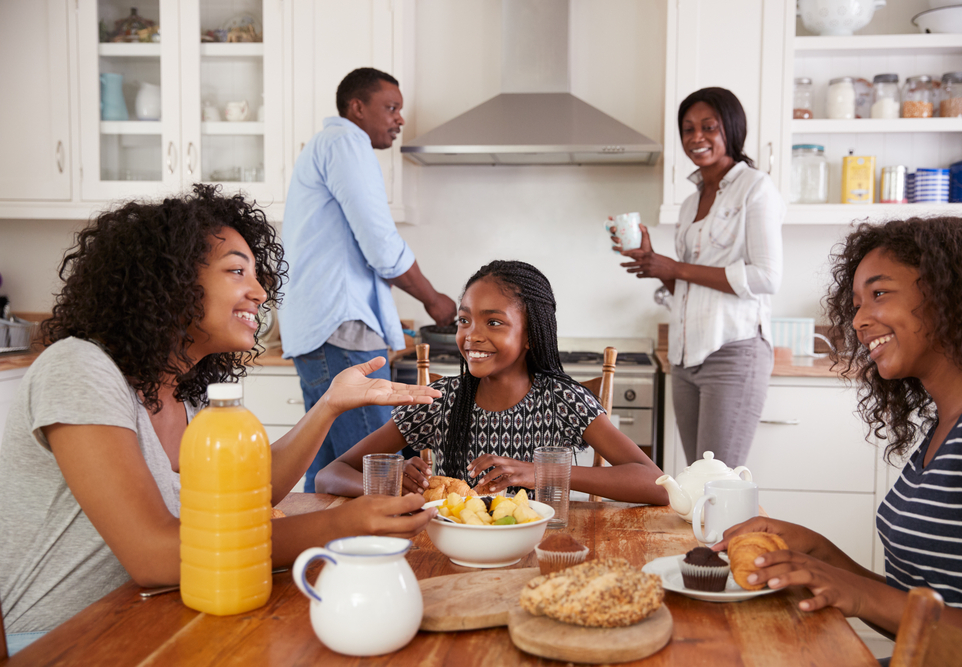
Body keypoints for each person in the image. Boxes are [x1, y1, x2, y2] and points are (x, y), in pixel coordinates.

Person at [0, 186, 440, 655]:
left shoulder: (185, 398)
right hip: (64, 641)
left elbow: (245, 499)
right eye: (236, 271)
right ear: (167, 281)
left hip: (153, 618)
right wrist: (340, 526)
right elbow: (154, 554)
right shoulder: (79, 368)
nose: (259, 291)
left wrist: (330, 404)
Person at [715, 216, 962, 656]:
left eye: (879, 294)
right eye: (856, 303)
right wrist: (820, 555)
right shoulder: (951, 424)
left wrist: (860, 592)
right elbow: (920, 619)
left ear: (951, 294)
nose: (860, 320)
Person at [315, 260, 670, 506]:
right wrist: (388, 484)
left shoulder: (562, 400)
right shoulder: (442, 400)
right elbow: (330, 475)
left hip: (539, 550)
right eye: (464, 320)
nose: (472, 336)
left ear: (530, 335)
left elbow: (655, 485)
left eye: (494, 322)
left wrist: (541, 473)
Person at [280, 67, 456, 492]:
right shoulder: (345, 142)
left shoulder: (330, 146)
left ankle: (315, 557)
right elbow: (380, 244)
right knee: (379, 473)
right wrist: (434, 300)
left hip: (322, 329)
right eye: (391, 108)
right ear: (357, 108)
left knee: (325, 472)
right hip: (340, 327)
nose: (399, 119)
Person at [609, 87, 784, 467]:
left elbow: (767, 277)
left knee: (717, 484)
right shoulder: (690, 203)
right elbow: (688, 287)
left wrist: (674, 268)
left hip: (733, 350)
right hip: (686, 357)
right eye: (688, 129)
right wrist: (654, 263)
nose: (696, 137)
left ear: (732, 131)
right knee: (697, 480)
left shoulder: (755, 188)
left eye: (709, 126)